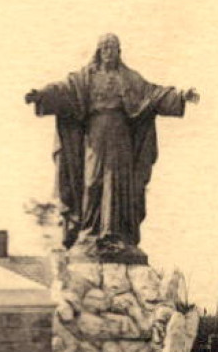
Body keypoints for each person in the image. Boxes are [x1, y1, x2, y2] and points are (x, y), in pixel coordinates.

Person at [26, 34, 198, 262]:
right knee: (92, 181)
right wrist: (41, 95)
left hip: (121, 138)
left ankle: (116, 235)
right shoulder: (86, 77)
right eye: (105, 47)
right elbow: (64, 90)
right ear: (98, 51)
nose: (109, 51)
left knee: (117, 184)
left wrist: (180, 96)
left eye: (113, 47)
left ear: (119, 51)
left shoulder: (129, 78)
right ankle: (88, 234)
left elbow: (154, 94)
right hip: (95, 136)